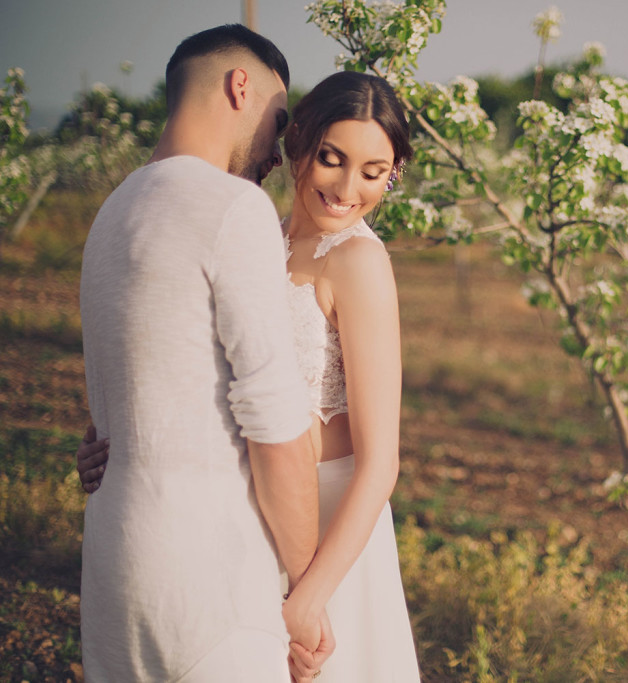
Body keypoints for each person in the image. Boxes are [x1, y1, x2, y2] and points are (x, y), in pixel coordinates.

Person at [78, 70, 421, 681]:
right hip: (251, 512)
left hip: (332, 530)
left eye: (373, 173)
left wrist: (310, 595)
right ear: (300, 146)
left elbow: (380, 464)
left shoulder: (359, 262)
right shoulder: (255, 230)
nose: (347, 189)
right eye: (331, 160)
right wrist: (110, 438)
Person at [77, 24, 328, 681]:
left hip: (112, 574)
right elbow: (275, 429)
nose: (278, 150)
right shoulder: (231, 207)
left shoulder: (112, 211)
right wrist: (306, 591)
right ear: (239, 86)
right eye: (278, 120)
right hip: (208, 582)